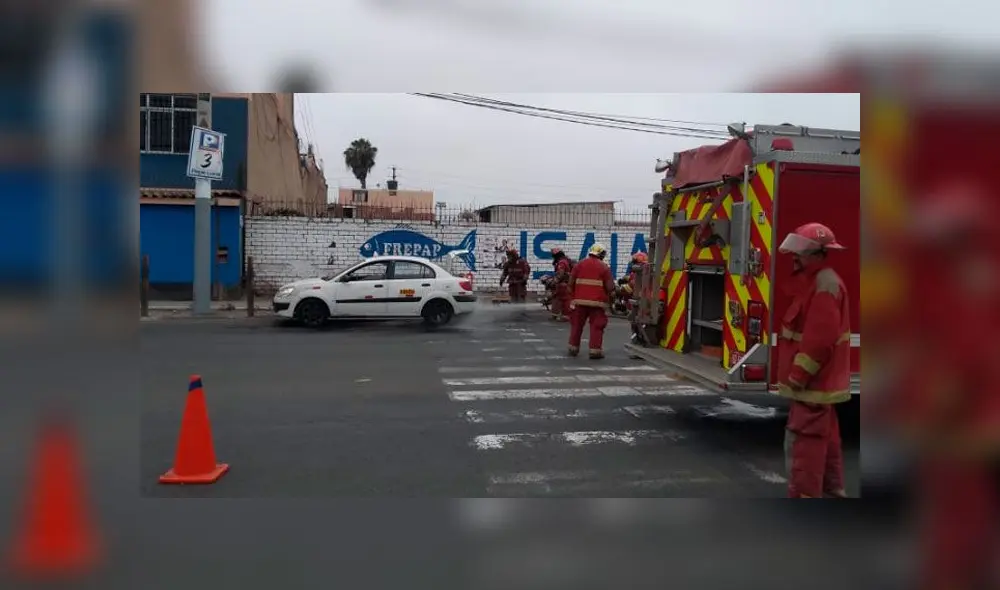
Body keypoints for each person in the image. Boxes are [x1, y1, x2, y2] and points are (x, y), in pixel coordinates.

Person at [775, 222, 852, 499]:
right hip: (818, 388)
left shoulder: (824, 284)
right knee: (827, 441)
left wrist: (798, 376)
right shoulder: (818, 281)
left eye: (800, 252)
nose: (794, 257)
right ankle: (832, 491)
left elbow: (819, 341)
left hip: (812, 387)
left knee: (804, 447)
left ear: (817, 253)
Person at [567, 243, 616, 359]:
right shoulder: (604, 267)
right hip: (597, 303)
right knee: (597, 326)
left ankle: (573, 348)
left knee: (576, 325)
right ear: (601, 254)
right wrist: (611, 299)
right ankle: (595, 351)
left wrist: (573, 298)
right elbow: (610, 288)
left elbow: (570, 284)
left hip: (579, 302)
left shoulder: (579, 265)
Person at [550, 248, 573, 322]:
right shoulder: (565, 261)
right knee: (560, 299)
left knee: (563, 300)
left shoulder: (561, 262)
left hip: (563, 285)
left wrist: (553, 282)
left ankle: (565, 316)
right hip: (565, 284)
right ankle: (558, 315)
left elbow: (560, 274)